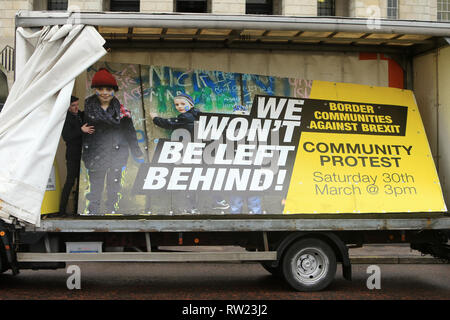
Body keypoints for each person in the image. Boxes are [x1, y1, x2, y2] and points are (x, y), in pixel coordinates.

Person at [82, 68, 143, 215]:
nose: (104, 92)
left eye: (108, 89)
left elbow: (130, 133)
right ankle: (93, 212)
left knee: (114, 185)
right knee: (95, 185)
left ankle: (111, 210)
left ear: (114, 91)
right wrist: (80, 129)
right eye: (100, 88)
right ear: (95, 90)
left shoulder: (122, 111)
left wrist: (137, 152)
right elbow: (72, 131)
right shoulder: (86, 110)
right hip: (95, 154)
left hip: (117, 154)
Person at [150, 93, 201, 214]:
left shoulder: (186, 117)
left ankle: (189, 208)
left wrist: (155, 118)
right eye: (177, 104)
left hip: (187, 153)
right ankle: (193, 207)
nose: (179, 106)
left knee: (185, 180)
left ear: (191, 104)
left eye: (183, 104)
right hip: (195, 152)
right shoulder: (196, 115)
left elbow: (169, 123)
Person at [59, 96, 95, 216]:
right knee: (70, 181)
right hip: (73, 154)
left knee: (81, 182)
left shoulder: (79, 114)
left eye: (77, 105)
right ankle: (62, 210)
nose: (76, 108)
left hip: (83, 153)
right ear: (68, 107)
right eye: (73, 105)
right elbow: (66, 136)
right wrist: (81, 130)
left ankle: (77, 210)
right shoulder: (65, 118)